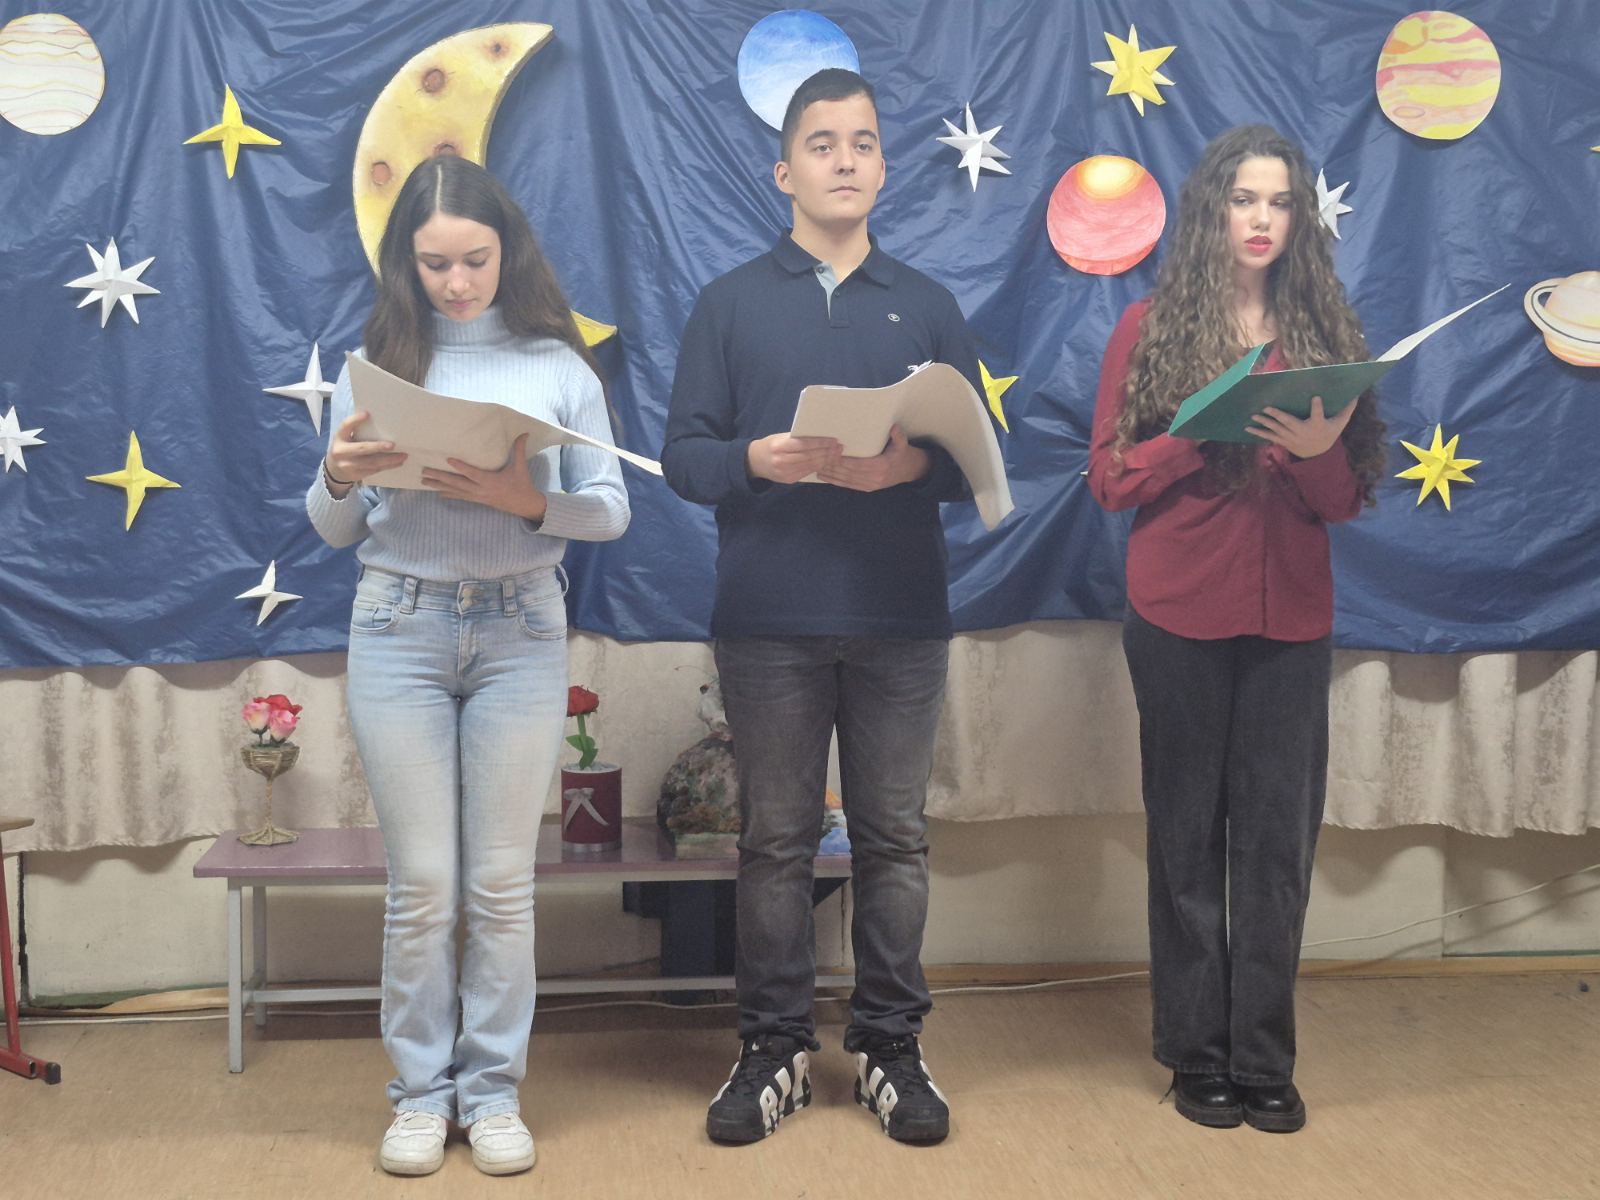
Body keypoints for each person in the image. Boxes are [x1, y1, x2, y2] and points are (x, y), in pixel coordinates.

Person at [661, 67, 982, 1145]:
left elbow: (976, 461)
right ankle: (774, 1048)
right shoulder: (729, 303)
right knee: (775, 843)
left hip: (901, 618)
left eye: (863, 143)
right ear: (783, 171)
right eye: (823, 143)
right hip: (767, 618)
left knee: (894, 839)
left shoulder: (927, 305)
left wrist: (908, 468)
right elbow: (682, 458)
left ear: (884, 168)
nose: (845, 160)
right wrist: (752, 459)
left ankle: (890, 1044)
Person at [306, 155, 630, 1176]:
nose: (457, 282)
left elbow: (611, 511)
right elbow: (332, 531)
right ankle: (419, 1096)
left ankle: (491, 1094)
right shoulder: (377, 362)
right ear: (405, 262)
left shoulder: (558, 366)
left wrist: (524, 500)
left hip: (520, 627)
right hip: (396, 624)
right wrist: (336, 476)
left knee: (498, 885)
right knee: (422, 887)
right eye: (435, 262)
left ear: (508, 251)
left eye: (475, 260)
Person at [1087, 125, 1386, 1133]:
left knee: (1274, 848)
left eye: (1279, 202)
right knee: (1185, 840)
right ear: (1212, 210)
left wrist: (1314, 448)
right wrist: (1192, 436)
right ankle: (1195, 1055)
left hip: (1291, 622)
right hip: (1175, 615)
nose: (1261, 219)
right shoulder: (1148, 328)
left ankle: (1263, 1059)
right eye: (1242, 199)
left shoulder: (1324, 337)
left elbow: (1343, 503)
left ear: (1299, 220)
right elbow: (1108, 481)